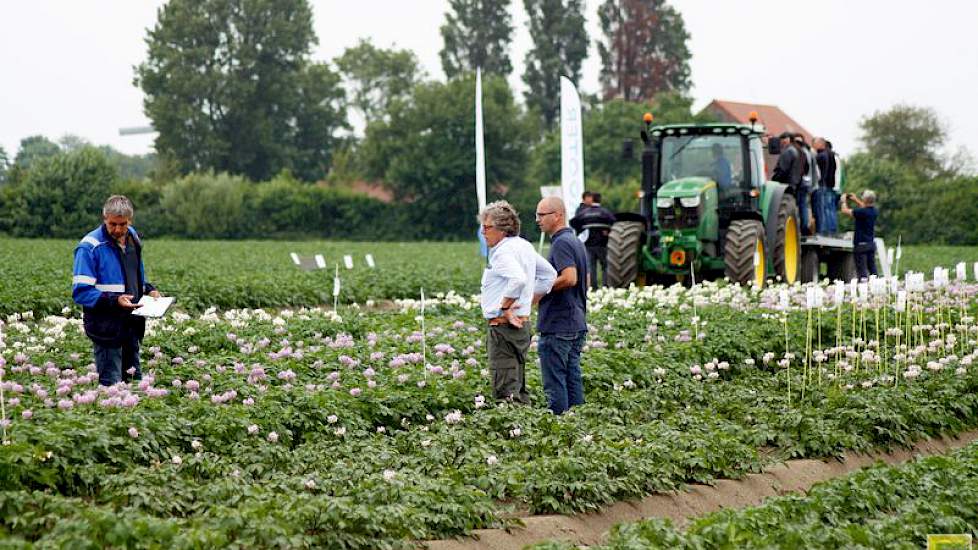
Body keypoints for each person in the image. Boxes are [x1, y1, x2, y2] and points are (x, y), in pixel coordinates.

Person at [72, 195, 161, 386]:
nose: (118, 229)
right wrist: (115, 300)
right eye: (113, 224)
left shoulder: (133, 238)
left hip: (131, 324)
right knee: (110, 387)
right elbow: (81, 292)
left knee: (134, 384)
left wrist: (148, 289)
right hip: (106, 327)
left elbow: (134, 274)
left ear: (130, 221)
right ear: (105, 219)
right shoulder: (90, 247)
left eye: (123, 224)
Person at [479, 200, 556, 404]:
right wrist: (526, 303)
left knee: (506, 390)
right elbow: (549, 275)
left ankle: (515, 431)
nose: (483, 232)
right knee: (518, 385)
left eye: (486, 227)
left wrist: (505, 307)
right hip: (521, 325)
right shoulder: (524, 246)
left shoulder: (502, 252)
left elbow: (518, 279)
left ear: (502, 229)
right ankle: (526, 428)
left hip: (503, 328)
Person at [535, 197, 588, 415]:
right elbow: (587, 279)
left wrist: (540, 291)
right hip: (575, 320)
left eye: (542, 215)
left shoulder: (561, 243)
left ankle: (560, 427)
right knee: (571, 376)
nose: (538, 220)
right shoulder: (575, 241)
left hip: (559, 324)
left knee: (555, 381)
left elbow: (570, 277)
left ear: (557, 215)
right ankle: (577, 424)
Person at [571, 193, 616, 289]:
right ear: (600, 200)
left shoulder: (584, 213)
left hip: (588, 244)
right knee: (605, 266)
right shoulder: (605, 212)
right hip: (602, 244)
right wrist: (608, 230)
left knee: (591, 267)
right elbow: (614, 221)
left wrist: (581, 232)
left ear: (592, 200)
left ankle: (593, 287)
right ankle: (605, 286)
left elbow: (573, 222)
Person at [841, 190, 878, 280]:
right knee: (872, 269)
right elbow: (865, 206)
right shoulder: (874, 212)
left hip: (860, 245)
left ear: (865, 200)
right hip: (870, 245)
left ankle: (863, 287)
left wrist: (843, 201)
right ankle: (877, 285)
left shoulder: (861, 212)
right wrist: (856, 200)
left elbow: (844, 210)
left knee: (862, 270)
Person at [813, 137, 838, 235]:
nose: (813, 146)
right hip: (830, 185)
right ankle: (832, 229)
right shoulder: (832, 155)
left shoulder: (821, 156)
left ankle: (823, 230)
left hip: (823, 184)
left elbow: (819, 172)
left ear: (821, 144)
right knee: (831, 208)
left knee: (823, 208)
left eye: (815, 143)